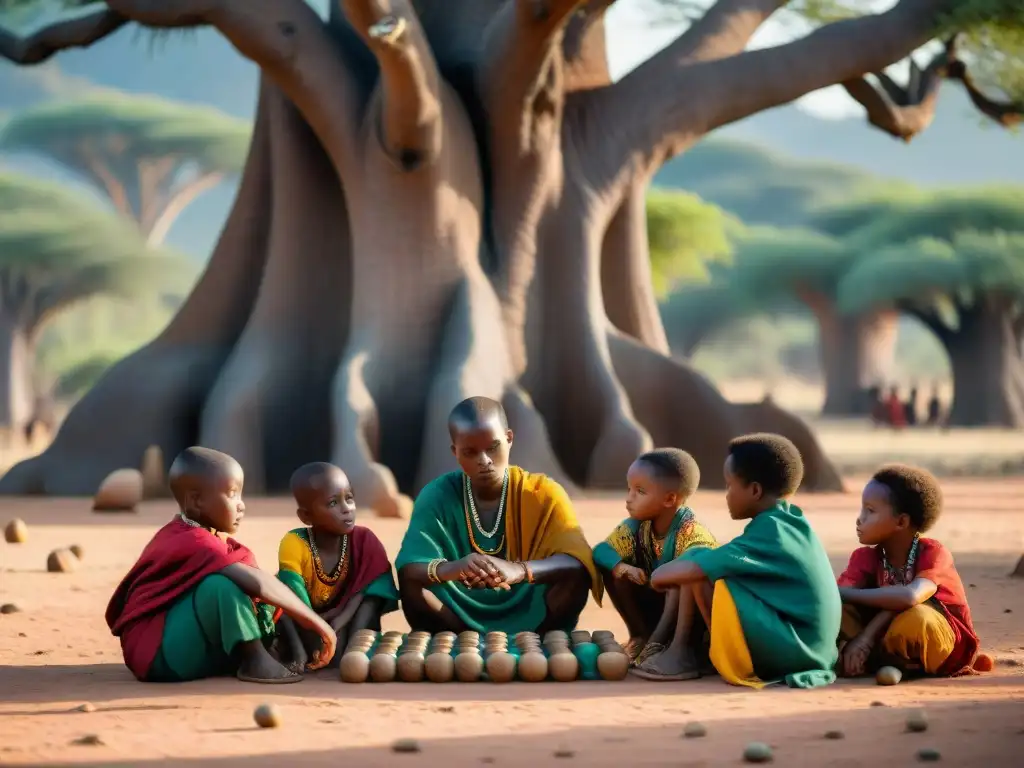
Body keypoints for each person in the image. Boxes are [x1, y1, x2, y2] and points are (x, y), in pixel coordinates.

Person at [105, 447, 337, 684]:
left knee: (287, 580)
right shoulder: (191, 539)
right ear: (196, 500)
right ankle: (255, 660)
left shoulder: (212, 537)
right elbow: (257, 583)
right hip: (163, 657)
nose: (241, 505)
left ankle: (307, 654)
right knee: (220, 586)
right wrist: (315, 621)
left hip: (203, 651)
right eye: (232, 494)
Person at [648, 433, 841, 688]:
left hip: (797, 653)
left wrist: (658, 575)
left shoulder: (771, 532)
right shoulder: (788, 521)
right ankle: (677, 648)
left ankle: (683, 652)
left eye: (729, 485)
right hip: (809, 647)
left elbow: (680, 572)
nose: (726, 495)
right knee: (702, 560)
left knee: (704, 571)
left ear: (755, 490)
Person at [395, 396, 601, 634]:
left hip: (532, 609)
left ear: (509, 438)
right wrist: (454, 568)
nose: (484, 461)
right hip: (457, 614)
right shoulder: (437, 495)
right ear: (455, 452)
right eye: (470, 452)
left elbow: (577, 558)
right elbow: (411, 566)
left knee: (575, 576)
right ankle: (460, 645)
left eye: (492, 447)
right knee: (413, 584)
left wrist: (519, 571)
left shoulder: (544, 493)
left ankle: (536, 643)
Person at [837, 464, 982, 678]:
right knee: (834, 611)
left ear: (901, 521)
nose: (860, 519)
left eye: (870, 511)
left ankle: (882, 660)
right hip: (883, 637)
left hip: (931, 641)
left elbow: (910, 596)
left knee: (917, 619)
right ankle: (866, 658)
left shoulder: (932, 553)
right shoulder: (865, 557)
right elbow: (836, 598)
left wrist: (865, 636)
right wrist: (839, 599)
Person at [592, 448, 718, 677]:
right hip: (658, 603)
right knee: (612, 569)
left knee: (682, 579)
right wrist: (622, 567)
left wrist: (662, 576)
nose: (629, 499)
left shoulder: (690, 532)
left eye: (640, 491)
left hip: (688, 615)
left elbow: (699, 564)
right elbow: (601, 551)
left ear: (670, 499)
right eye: (628, 489)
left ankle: (684, 650)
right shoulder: (637, 526)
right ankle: (641, 637)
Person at [276, 462, 399, 670]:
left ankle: (357, 648)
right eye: (333, 503)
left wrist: (341, 617)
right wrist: (321, 626)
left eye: (349, 498)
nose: (346, 509)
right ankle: (298, 655)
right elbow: (294, 595)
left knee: (370, 600)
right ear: (306, 516)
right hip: (304, 617)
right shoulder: (295, 543)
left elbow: (367, 587)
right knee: (280, 600)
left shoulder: (364, 540)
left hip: (347, 616)